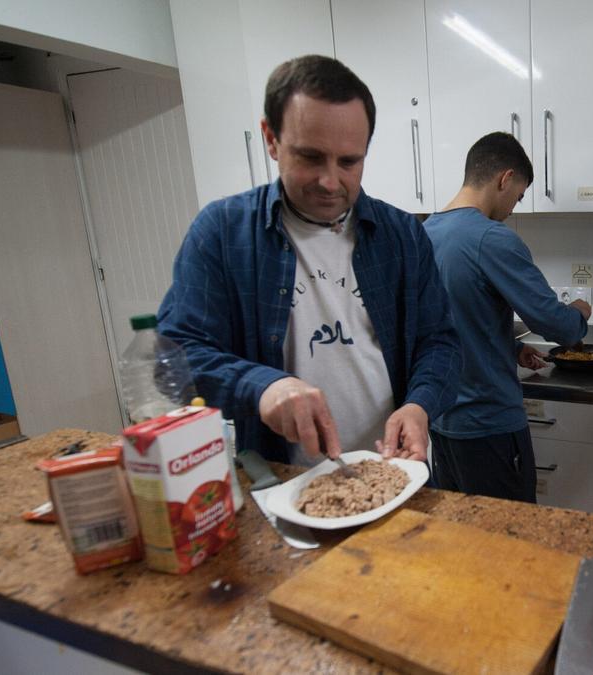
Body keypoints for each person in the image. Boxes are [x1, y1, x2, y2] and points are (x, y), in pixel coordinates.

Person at [158, 55, 460, 465]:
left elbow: (439, 342)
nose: (330, 181)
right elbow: (174, 356)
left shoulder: (403, 235)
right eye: (310, 157)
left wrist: (420, 405)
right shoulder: (223, 232)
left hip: (395, 476)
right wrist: (261, 387)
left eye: (349, 161)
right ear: (270, 138)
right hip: (279, 481)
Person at [423, 132, 591, 502]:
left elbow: (449, 325)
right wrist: (580, 312)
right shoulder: (492, 238)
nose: (514, 207)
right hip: (489, 426)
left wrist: (510, 349)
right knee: (510, 542)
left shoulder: (423, 234)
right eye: (518, 195)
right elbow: (558, 327)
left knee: (463, 539)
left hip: (441, 425)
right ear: (505, 178)